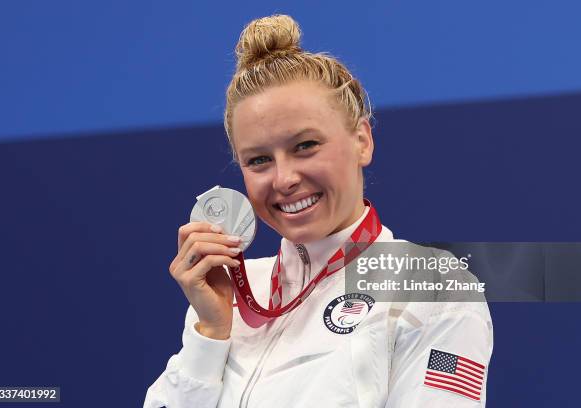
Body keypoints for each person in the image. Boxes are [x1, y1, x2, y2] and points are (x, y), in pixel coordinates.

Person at [144, 14, 493, 407]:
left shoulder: (435, 289)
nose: (283, 178)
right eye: (258, 160)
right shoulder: (225, 300)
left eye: (305, 146)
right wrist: (210, 332)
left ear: (361, 140)